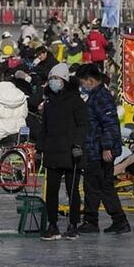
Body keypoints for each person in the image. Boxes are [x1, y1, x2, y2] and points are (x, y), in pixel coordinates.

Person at [38, 63, 88, 241]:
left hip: (70, 154)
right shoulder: (49, 103)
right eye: (51, 79)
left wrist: (77, 145)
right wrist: (39, 148)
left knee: (72, 190)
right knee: (51, 191)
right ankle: (53, 225)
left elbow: (83, 125)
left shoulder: (75, 101)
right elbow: (44, 128)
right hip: (52, 153)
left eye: (56, 79)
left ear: (65, 81)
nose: (53, 82)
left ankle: (73, 224)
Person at [79, 63, 130, 234]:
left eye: (83, 82)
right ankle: (119, 220)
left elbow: (109, 125)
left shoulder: (101, 97)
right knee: (104, 186)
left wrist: (106, 147)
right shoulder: (97, 95)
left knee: (93, 186)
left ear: (90, 80)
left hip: (98, 150)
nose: (83, 85)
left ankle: (91, 221)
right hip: (96, 148)